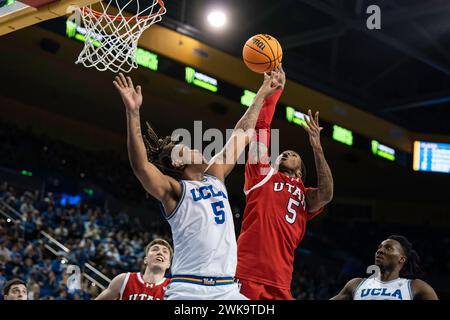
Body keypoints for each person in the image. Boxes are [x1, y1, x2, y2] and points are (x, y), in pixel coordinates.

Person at [113, 69, 283, 300]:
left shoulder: (216, 175)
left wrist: (263, 93)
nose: (196, 149)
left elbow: (242, 132)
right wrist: (132, 112)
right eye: (187, 148)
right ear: (177, 161)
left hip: (226, 289)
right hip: (188, 289)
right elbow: (141, 166)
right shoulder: (175, 192)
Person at [236, 66, 334, 300]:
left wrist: (317, 146)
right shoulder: (262, 174)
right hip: (246, 272)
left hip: (281, 279)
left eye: (293, 154)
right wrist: (274, 93)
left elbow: (327, 193)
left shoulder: (306, 195)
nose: (287, 152)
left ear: (300, 171)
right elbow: (261, 128)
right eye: (284, 153)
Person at [331, 235, 438, 300]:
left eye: (388, 248)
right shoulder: (356, 284)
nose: (380, 251)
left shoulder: (416, 286)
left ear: (401, 259)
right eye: (379, 248)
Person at [95, 239, 172, 300]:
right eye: (155, 249)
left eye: (165, 251)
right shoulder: (124, 280)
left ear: (169, 264)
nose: (160, 252)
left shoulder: (172, 287)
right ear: (145, 259)